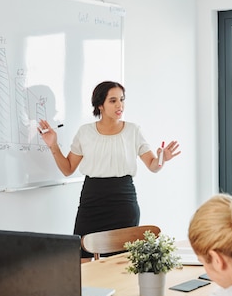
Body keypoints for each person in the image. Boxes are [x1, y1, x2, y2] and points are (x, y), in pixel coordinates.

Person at [39, 81, 180, 258]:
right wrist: (53, 145)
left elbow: (153, 166)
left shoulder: (133, 130)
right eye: (113, 101)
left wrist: (162, 159)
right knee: (81, 257)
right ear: (100, 105)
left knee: (120, 261)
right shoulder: (85, 132)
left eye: (122, 99)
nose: (120, 105)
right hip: (92, 200)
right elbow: (68, 169)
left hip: (123, 200)